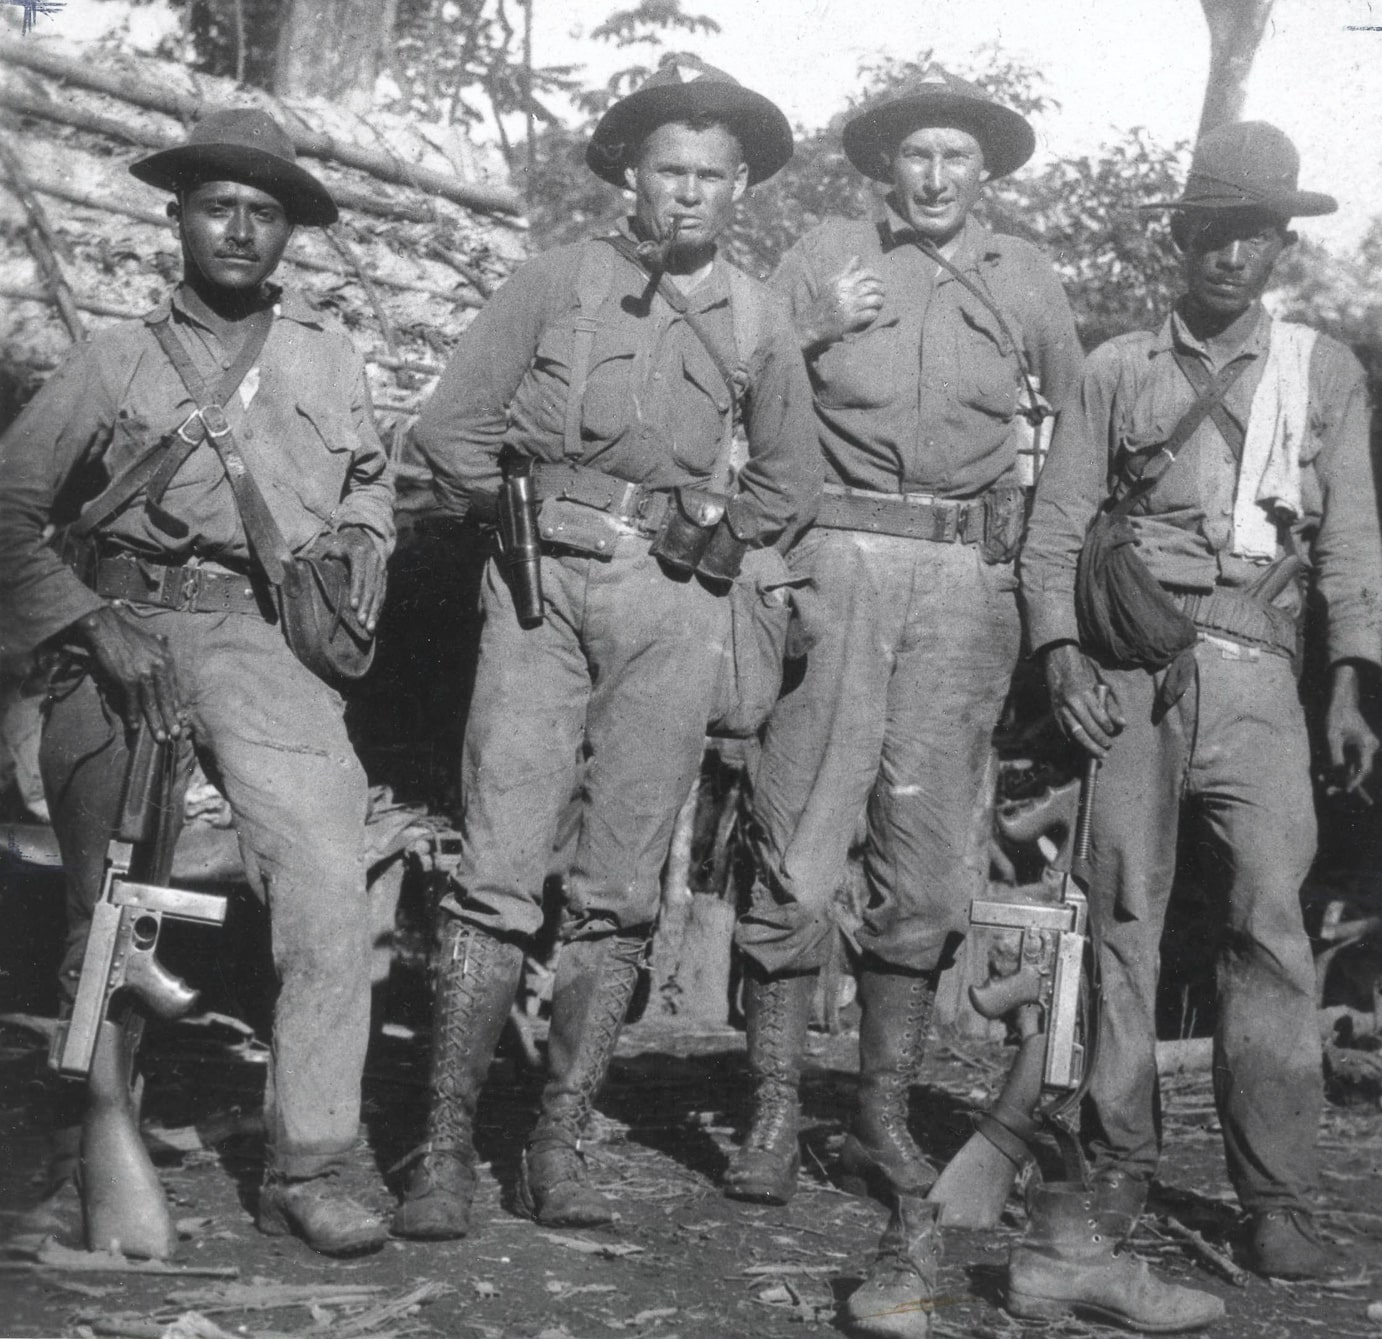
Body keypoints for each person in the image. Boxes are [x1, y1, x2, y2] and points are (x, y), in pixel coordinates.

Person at [396, 55, 821, 1241]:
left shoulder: (757, 315)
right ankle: (440, 1152)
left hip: (672, 601)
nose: (685, 194)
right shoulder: (551, 281)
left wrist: (715, 539)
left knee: (621, 882)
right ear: (629, 177)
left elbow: (788, 478)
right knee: (495, 865)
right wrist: (513, 523)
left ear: (739, 190)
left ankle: (557, 1141)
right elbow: (448, 430)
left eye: (709, 176)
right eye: (665, 171)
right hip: (536, 591)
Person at [0, 109, 394, 1257]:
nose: (240, 229)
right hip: (124, 635)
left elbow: (370, 482)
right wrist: (89, 619)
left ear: (287, 237)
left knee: (328, 883)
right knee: (114, 907)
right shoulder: (111, 360)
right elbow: (10, 508)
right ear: (176, 218)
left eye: (264, 213)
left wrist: (359, 547)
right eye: (217, 206)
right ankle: (89, 1136)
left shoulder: (325, 359)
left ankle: (311, 1163)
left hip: (267, 647)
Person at [1018, 121, 1382, 1296]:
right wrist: (1061, 657)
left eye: (1252, 235)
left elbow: (1348, 545)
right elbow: (1054, 530)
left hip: (1259, 672)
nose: (1229, 256)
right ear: (1180, 239)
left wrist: (1348, 680)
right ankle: (1119, 1162)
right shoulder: (1115, 365)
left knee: (1270, 923)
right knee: (1120, 912)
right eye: (1209, 232)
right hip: (1129, 668)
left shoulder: (1320, 371)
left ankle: (1273, 1198)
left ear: (1280, 245)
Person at [724, 68, 1083, 1210]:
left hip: (965, 583)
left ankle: (878, 1116)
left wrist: (1044, 583)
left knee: (926, 859)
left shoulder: (1021, 273)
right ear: (887, 166)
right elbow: (735, 370)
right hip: (836, 559)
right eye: (915, 156)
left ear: (983, 174)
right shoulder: (826, 246)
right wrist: (814, 321)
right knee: (800, 832)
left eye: (956, 160)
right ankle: (774, 1112)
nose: (934, 177)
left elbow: (1079, 422)